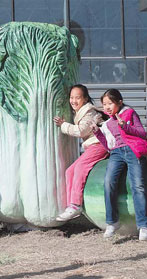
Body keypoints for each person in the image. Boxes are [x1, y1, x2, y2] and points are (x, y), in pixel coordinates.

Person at [91, 89, 147, 241]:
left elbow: (142, 133)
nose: (107, 107)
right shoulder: (108, 123)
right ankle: (112, 222)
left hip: (133, 150)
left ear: (119, 102)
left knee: (137, 185)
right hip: (117, 153)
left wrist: (125, 126)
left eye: (110, 103)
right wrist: (97, 133)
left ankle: (143, 226)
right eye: (104, 104)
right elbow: (108, 146)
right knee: (108, 182)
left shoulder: (129, 113)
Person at [53, 84, 109, 222]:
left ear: (84, 99)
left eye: (77, 97)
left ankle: (76, 205)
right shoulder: (81, 111)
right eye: (71, 97)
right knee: (69, 171)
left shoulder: (89, 112)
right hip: (92, 147)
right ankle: (71, 206)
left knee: (79, 168)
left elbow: (81, 131)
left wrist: (63, 125)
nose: (73, 101)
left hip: (99, 145)